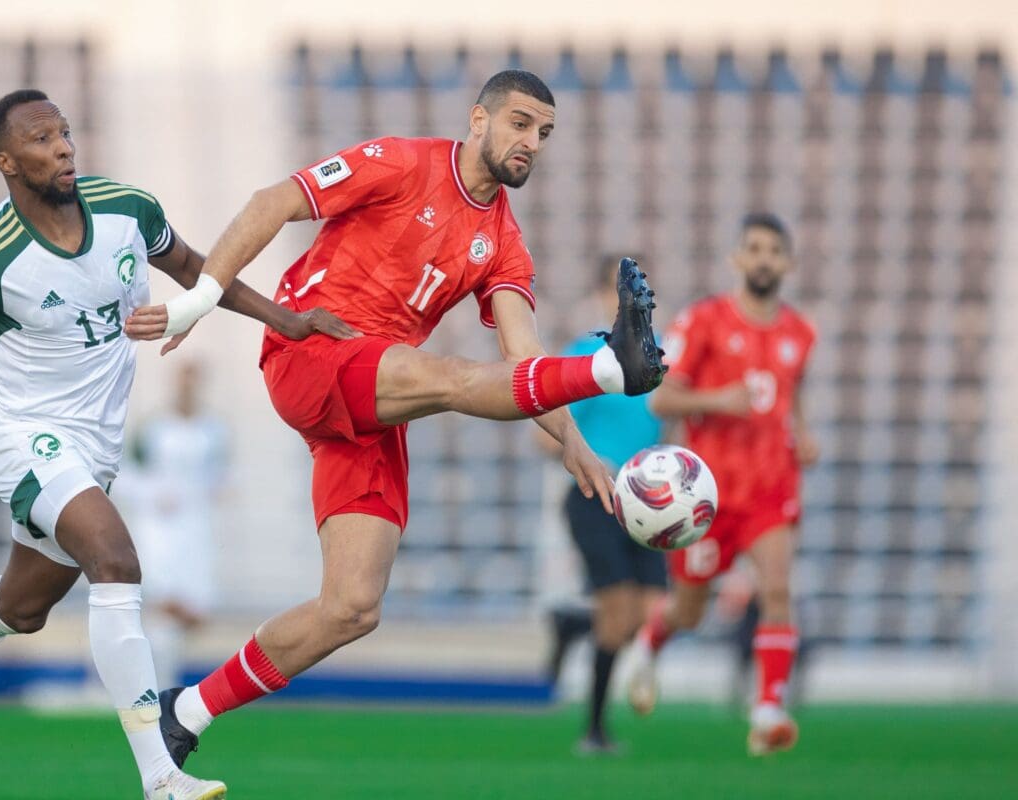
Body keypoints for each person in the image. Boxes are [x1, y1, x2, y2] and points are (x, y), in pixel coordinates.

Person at [122, 69, 668, 766]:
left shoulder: (504, 241)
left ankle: (188, 709)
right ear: (480, 120)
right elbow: (274, 201)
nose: (533, 141)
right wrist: (201, 296)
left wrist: (574, 441)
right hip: (315, 350)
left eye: (545, 133)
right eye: (521, 123)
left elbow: (524, 355)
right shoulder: (403, 161)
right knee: (446, 377)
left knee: (351, 607)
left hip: (374, 401)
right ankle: (612, 367)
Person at [0, 89, 353, 800]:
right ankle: (161, 775)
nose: (62, 146)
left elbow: (194, 269)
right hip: (21, 434)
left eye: (63, 132)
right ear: (6, 160)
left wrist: (286, 319)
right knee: (116, 563)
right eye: (40, 139)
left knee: (19, 611)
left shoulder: (127, 209)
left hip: (94, 442)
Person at [618, 212, 820, 756]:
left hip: (771, 487)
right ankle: (651, 640)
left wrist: (803, 433)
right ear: (737, 258)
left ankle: (768, 709)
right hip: (706, 498)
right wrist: (718, 400)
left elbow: (791, 390)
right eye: (753, 248)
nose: (763, 259)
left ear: (787, 263)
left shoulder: (801, 333)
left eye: (773, 251)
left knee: (777, 589)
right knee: (690, 610)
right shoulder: (704, 321)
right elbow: (662, 398)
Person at [536, 254, 668, 755]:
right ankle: (594, 730)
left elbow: (663, 421)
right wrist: (593, 457)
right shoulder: (587, 355)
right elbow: (548, 436)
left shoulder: (657, 354)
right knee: (617, 610)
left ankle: (574, 625)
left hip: (648, 499)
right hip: (597, 495)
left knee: (650, 612)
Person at [125, 361, 230, 687]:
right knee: (159, 603)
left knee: (190, 610)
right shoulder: (153, 428)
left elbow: (224, 474)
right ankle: (148, 687)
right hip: (158, 528)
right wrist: (153, 495)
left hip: (196, 528)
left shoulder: (214, 429)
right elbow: (127, 473)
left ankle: (163, 686)